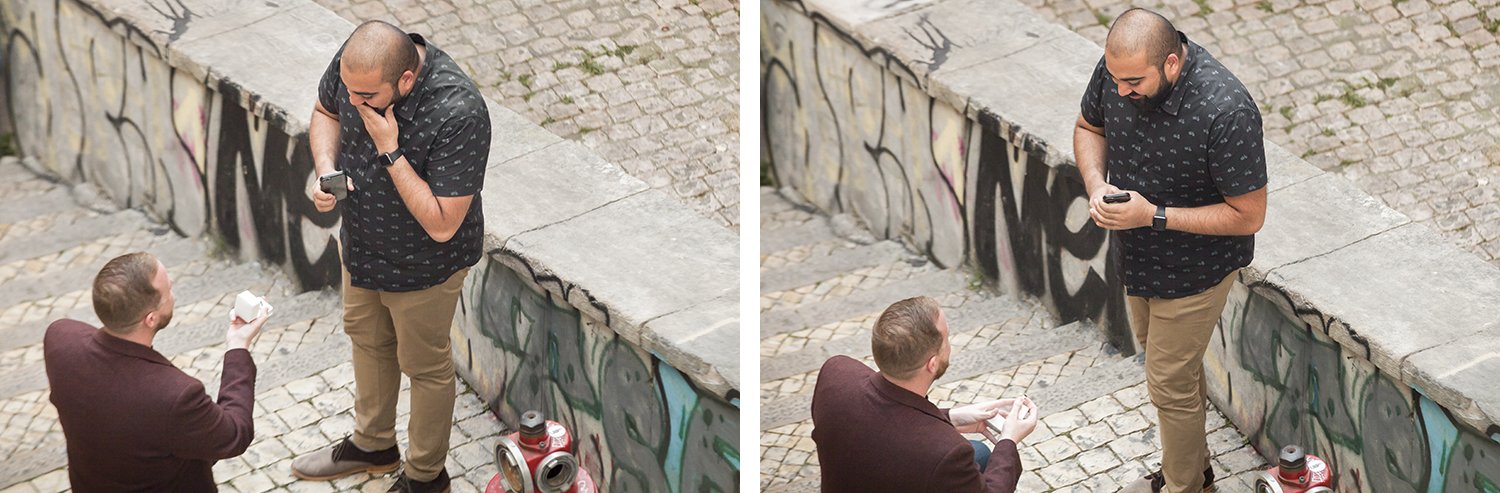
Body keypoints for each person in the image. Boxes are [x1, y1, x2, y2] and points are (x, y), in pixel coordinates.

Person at [291, 19, 491, 493]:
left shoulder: (459, 111)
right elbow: (325, 110)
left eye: (367, 98)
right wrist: (325, 170)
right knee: (366, 340)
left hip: (424, 265)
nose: (355, 104)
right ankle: (373, 445)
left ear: (404, 80)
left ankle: (426, 477)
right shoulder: (357, 66)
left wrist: (389, 148)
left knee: (425, 366)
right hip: (361, 244)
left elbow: (443, 223)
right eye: (351, 91)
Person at [1073, 8, 1268, 493]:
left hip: (1195, 270)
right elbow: (1087, 127)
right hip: (1136, 259)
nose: (1121, 91)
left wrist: (1154, 215)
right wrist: (1096, 184)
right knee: (1175, 375)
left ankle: (1186, 487)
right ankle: (1196, 469)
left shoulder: (1227, 111)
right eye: (1115, 78)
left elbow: (1249, 215)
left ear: (1174, 64)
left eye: (1134, 81)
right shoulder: (1118, 70)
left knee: (1166, 382)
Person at [43, 252, 271, 492]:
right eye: (169, 290)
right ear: (150, 319)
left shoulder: (59, 338)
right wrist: (238, 345)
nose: (173, 294)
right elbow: (234, 434)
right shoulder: (175, 396)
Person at [810, 296, 1039, 492]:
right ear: (932, 364)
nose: (949, 345)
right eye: (946, 339)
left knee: (977, 452)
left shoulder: (836, 373)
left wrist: (951, 418)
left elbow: (881, 421)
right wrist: (1009, 440)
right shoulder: (946, 452)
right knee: (976, 455)